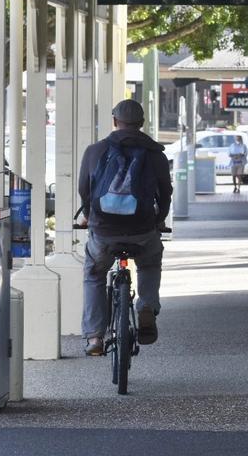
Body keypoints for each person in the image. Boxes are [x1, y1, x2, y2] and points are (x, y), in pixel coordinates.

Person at [76, 99, 172, 357]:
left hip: (104, 231)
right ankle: (147, 308)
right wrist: (158, 220)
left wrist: (89, 217)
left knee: (94, 275)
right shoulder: (155, 154)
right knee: (150, 263)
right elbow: (165, 192)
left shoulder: (95, 151)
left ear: (114, 121)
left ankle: (95, 337)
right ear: (141, 124)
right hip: (143, 230)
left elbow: (84, 190)